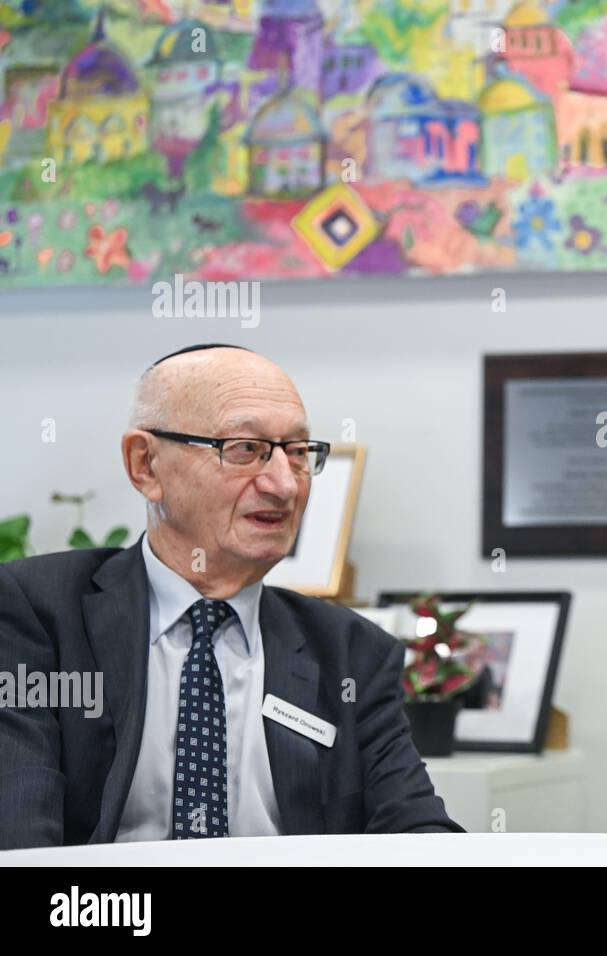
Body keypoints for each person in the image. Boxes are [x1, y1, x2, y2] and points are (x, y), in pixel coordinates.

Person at [0, 344, 462, 847]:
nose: (284, 484)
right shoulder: (38, 611)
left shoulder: (353, 653)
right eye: (244, 449)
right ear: (145, 466)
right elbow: (21, 834)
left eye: (300, 452)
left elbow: (420, 837)